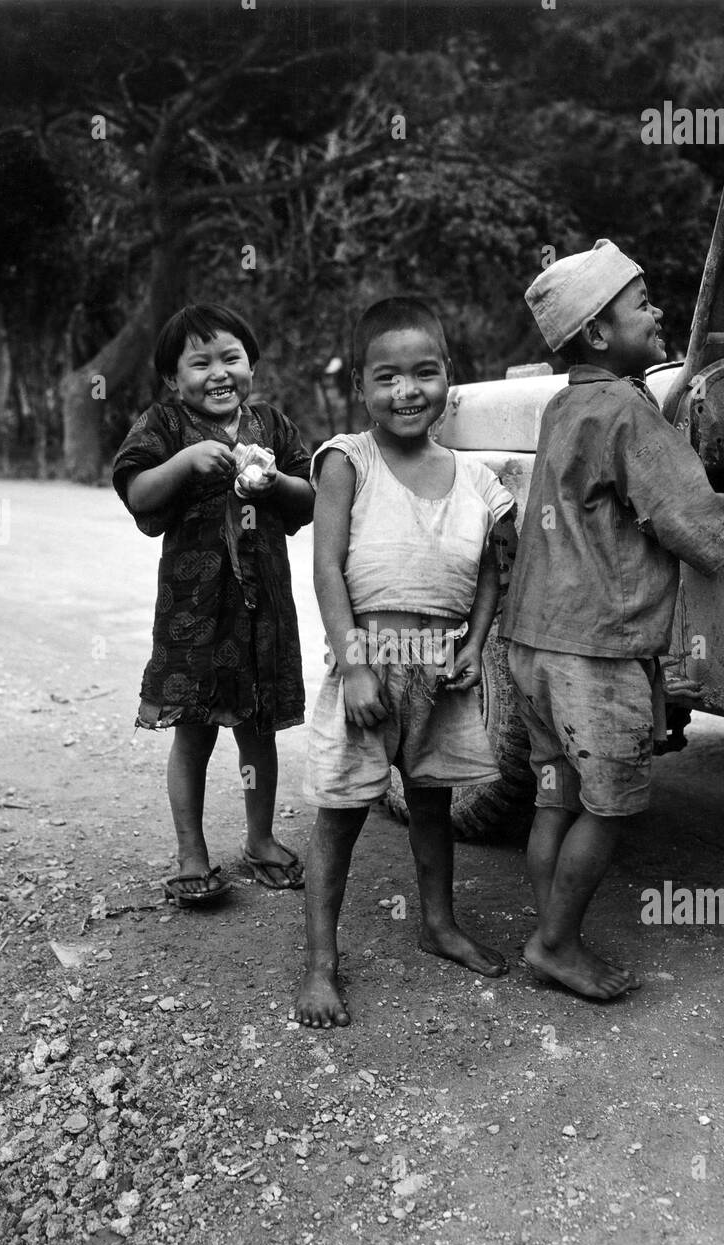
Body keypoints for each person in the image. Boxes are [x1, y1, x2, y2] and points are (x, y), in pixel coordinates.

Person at [501, 240, 724, 1000]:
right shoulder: (625, 412)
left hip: (535, 643)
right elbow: (686, 508)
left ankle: (550, 932)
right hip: (598, 651)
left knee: (555, 794)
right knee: (611, 808)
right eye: (642, 304)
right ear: (599, 334)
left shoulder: (567, 404)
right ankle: (556, 946)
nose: (659, 312)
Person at [292, 297, 514, 1028]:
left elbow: (489, 572)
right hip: (370, 663)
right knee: (343, 812)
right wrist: (354, 664)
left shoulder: (477, 479)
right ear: (362, 386)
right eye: (387, 377)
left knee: (432, 801)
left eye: (424, 373)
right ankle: (321, 961)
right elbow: (327, 569)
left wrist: (477, 646)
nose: (407, 391)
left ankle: (439, 923)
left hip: (441, 668)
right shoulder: (347, 461)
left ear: (449, 376)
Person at [112, 303, 314, 903]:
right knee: (194, 734)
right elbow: (135, 489)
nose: (219, 372)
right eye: (200, 363)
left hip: (262, 615)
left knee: (259, 734)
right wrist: (183, 462)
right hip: (193, 614)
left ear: (250, 364)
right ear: (175, 380)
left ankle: (260, 840)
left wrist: (273, 483)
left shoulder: (272, 426)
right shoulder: (165, 425)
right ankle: (191, 853)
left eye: (231, 357)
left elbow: (308, 500)